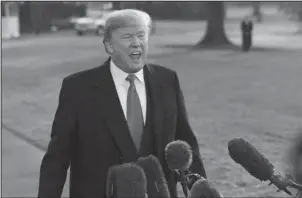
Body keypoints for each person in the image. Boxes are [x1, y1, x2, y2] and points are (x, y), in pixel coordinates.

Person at [38, 9, 207, 198]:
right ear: (109, 46)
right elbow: (57, 158)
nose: (137, 43)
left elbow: (186, 144)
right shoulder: (78, 89)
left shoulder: (167, 80)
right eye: (127, 37)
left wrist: (201, 191)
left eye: (141, 35)